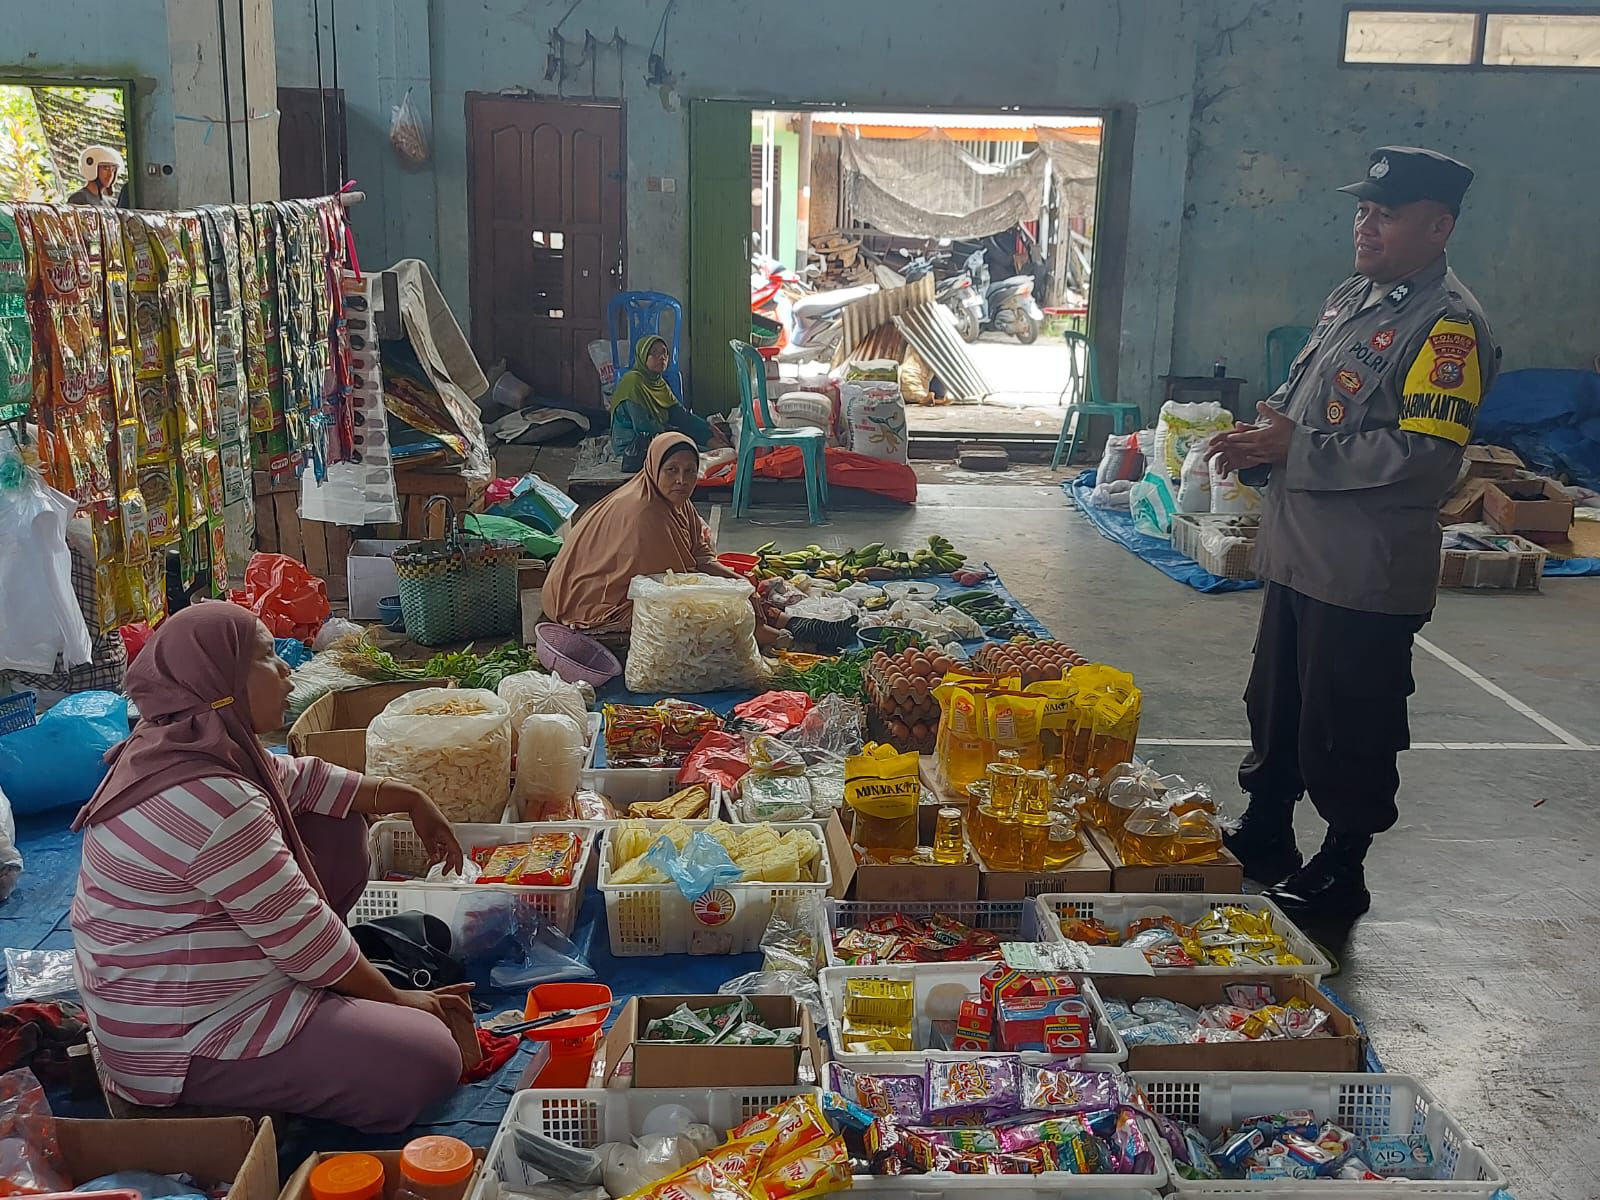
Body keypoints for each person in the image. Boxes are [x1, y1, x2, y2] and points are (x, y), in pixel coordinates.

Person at [1207, 146, 1496, 924]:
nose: (1366, 225)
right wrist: (1262, 434)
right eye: (1363, 210)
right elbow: (1304, 399)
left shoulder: (1447, 327)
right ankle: (1267, 830)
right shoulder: (1354, 298)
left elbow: (1427, 460)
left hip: (1364, 570)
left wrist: (1293, 450)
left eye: (1387, 213)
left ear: (1439, 227)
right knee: (1277, 706)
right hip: (1301, 553)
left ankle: (1343, 866)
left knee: (1349, 721)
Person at [70, 603, 472, 1133]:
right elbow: (304, 934)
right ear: (220, 684)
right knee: (428, 1056)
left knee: (336, 819)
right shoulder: (213, 800)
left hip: (187, 996)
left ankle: (326, 1014)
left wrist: (410, 797)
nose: (286, 668)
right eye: (264, 657)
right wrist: (400, 1000)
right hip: (183, 1042)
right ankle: (242, 1088)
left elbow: (304, 779)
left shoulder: (179, 742)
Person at [543, 432, 785, 644]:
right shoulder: (645, 512)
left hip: (614, 588)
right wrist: (737, 600)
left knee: (737, 598)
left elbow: (701, 557)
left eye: (690, 471)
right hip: (589, 600)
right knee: (704, 616)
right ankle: (781, 639)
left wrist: (742, 585)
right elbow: (678, 587)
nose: (682, 480)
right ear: (654, 468)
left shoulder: (676, 501)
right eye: (672, 470)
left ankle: (784, 627)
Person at [608, 335, 724, 468]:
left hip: (657, 437)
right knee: (691, 453)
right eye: (653, 353)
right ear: (642, 356)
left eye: (664, 353)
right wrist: (679, 437)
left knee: (711, 450)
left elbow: (680, 416)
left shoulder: (658, 383)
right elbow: (644, 428)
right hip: (633, 448)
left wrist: (709, 430)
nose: (662, 357)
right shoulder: (633, 382)